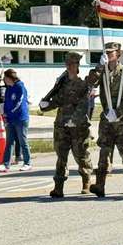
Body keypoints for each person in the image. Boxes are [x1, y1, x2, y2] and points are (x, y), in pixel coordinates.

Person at [86, 41, 123, 196]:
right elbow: (90, 83)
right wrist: (98, 67)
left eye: (112, 52)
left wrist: (119, 112)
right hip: (107, 120)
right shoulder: (101, 71)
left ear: (119, 54)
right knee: (104, 152)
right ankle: (100, 184)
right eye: (106, 52)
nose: (109, 54)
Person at [40, 52, 92, 197]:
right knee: (61, 156)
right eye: (67, 64)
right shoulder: (62, 84)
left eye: (72, 64)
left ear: (77, 66)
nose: (69, 67)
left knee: (80, 155)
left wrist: (74, 120)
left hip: (78, 127)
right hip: (62, 125)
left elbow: (83, 104)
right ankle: (59, 186)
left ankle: (86, 181)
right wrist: (45, 105)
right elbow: (56, 100)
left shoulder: (82, 84)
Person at [0, 68, 31, 171]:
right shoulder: (8, 88)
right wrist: (5, 114)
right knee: (9, 142)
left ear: (10, 78)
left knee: (22, 141)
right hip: (10, 119)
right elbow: (6, 102)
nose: (4, 80)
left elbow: (19, 102)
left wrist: (11, 111)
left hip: (21, 118)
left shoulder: (20, 87)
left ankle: (27, 162)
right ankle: (5, 164)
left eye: (5, 78)